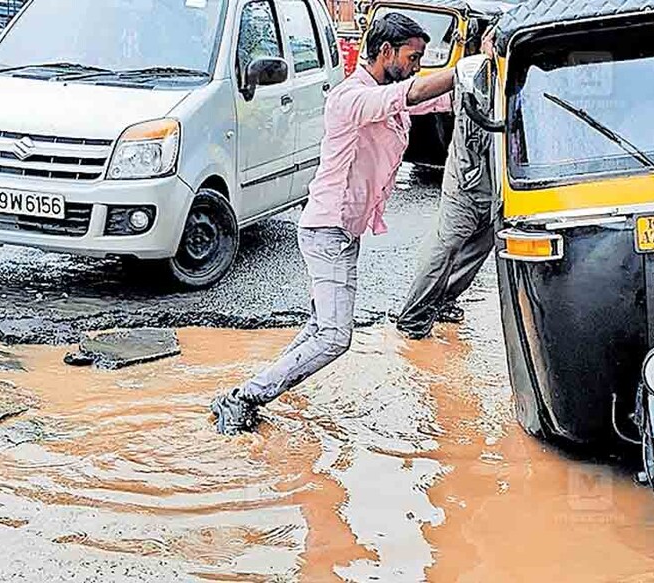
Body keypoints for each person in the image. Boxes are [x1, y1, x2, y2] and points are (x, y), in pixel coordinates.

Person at [209, 13, 457, 435]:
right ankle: (244, 396)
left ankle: (271, 387)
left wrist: (485, 79)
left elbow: (425, 99)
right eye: (413, 57)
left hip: (342, 232)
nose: (418, 65)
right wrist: (466, 69)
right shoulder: (350, 97)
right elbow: (408, 94)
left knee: (318, 328)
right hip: (328, 232)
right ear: (385, 53)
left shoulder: (383, 94)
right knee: (334, 337)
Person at [395, 32, 498, 340]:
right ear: (485, 43)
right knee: (445, 246)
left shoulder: (523, 72)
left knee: (480, 247)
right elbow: (425, 100)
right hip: (467, 180)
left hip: (501, 186)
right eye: (493, 41)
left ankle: (443, 301)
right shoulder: (471, 72)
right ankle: (412, 317)